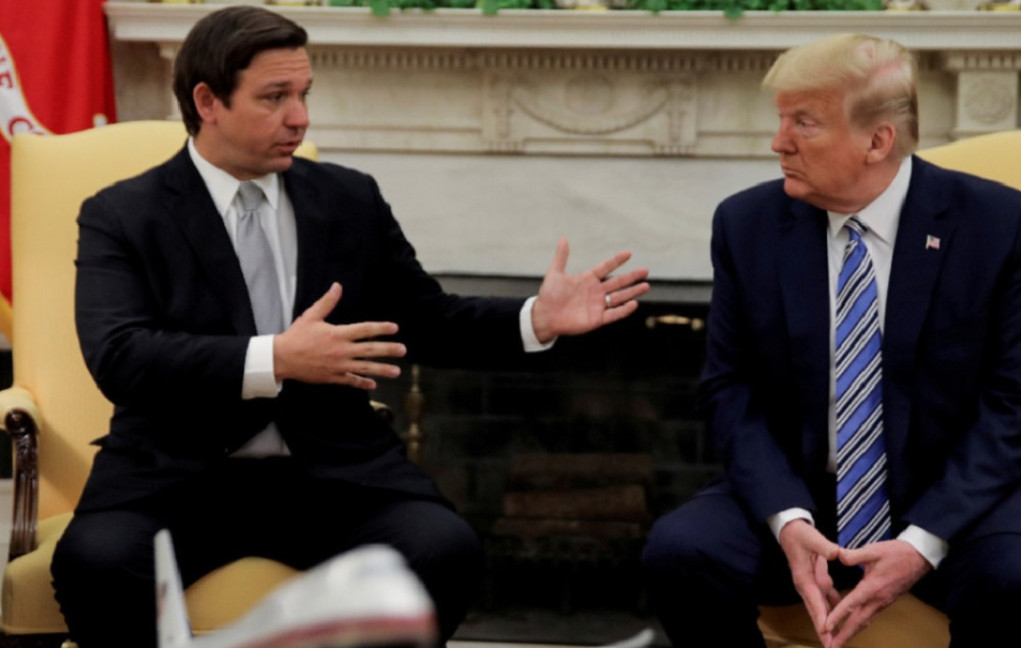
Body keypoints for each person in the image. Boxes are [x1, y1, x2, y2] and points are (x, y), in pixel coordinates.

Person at [49, 6, 650, 648]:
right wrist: (276, 358)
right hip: (176, 476)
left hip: (330, 475)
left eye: (304, 94)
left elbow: (424, 319)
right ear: (208, 101)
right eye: (275, 97)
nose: (300, 117)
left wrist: (536, 317)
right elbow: (122, 357)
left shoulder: (347, 198)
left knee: (443, 549)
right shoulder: (123, 213)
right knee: (96, 564)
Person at [642, 34, 1021, 648]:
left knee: (1020, 581)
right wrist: (788, 519)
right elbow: (729, 389)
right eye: (781, 120)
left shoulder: (997, 225)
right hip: (806, 492)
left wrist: (921, 541)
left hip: (963, 495)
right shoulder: (747, 225)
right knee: (680, 552)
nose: (779, 143)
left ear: (878, 140)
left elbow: (1018, 401)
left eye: (804, 123)